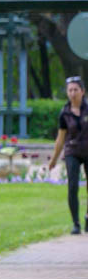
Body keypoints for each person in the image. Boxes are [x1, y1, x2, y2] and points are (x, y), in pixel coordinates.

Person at [46, 75, 87, 235]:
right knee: (72, 186)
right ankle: (76, 223)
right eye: (70, 90)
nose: (73, 93)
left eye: (76, 90)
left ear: (83, 91)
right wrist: (54, 159)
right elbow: (60, 138)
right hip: (72, 151)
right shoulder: (64, 113)